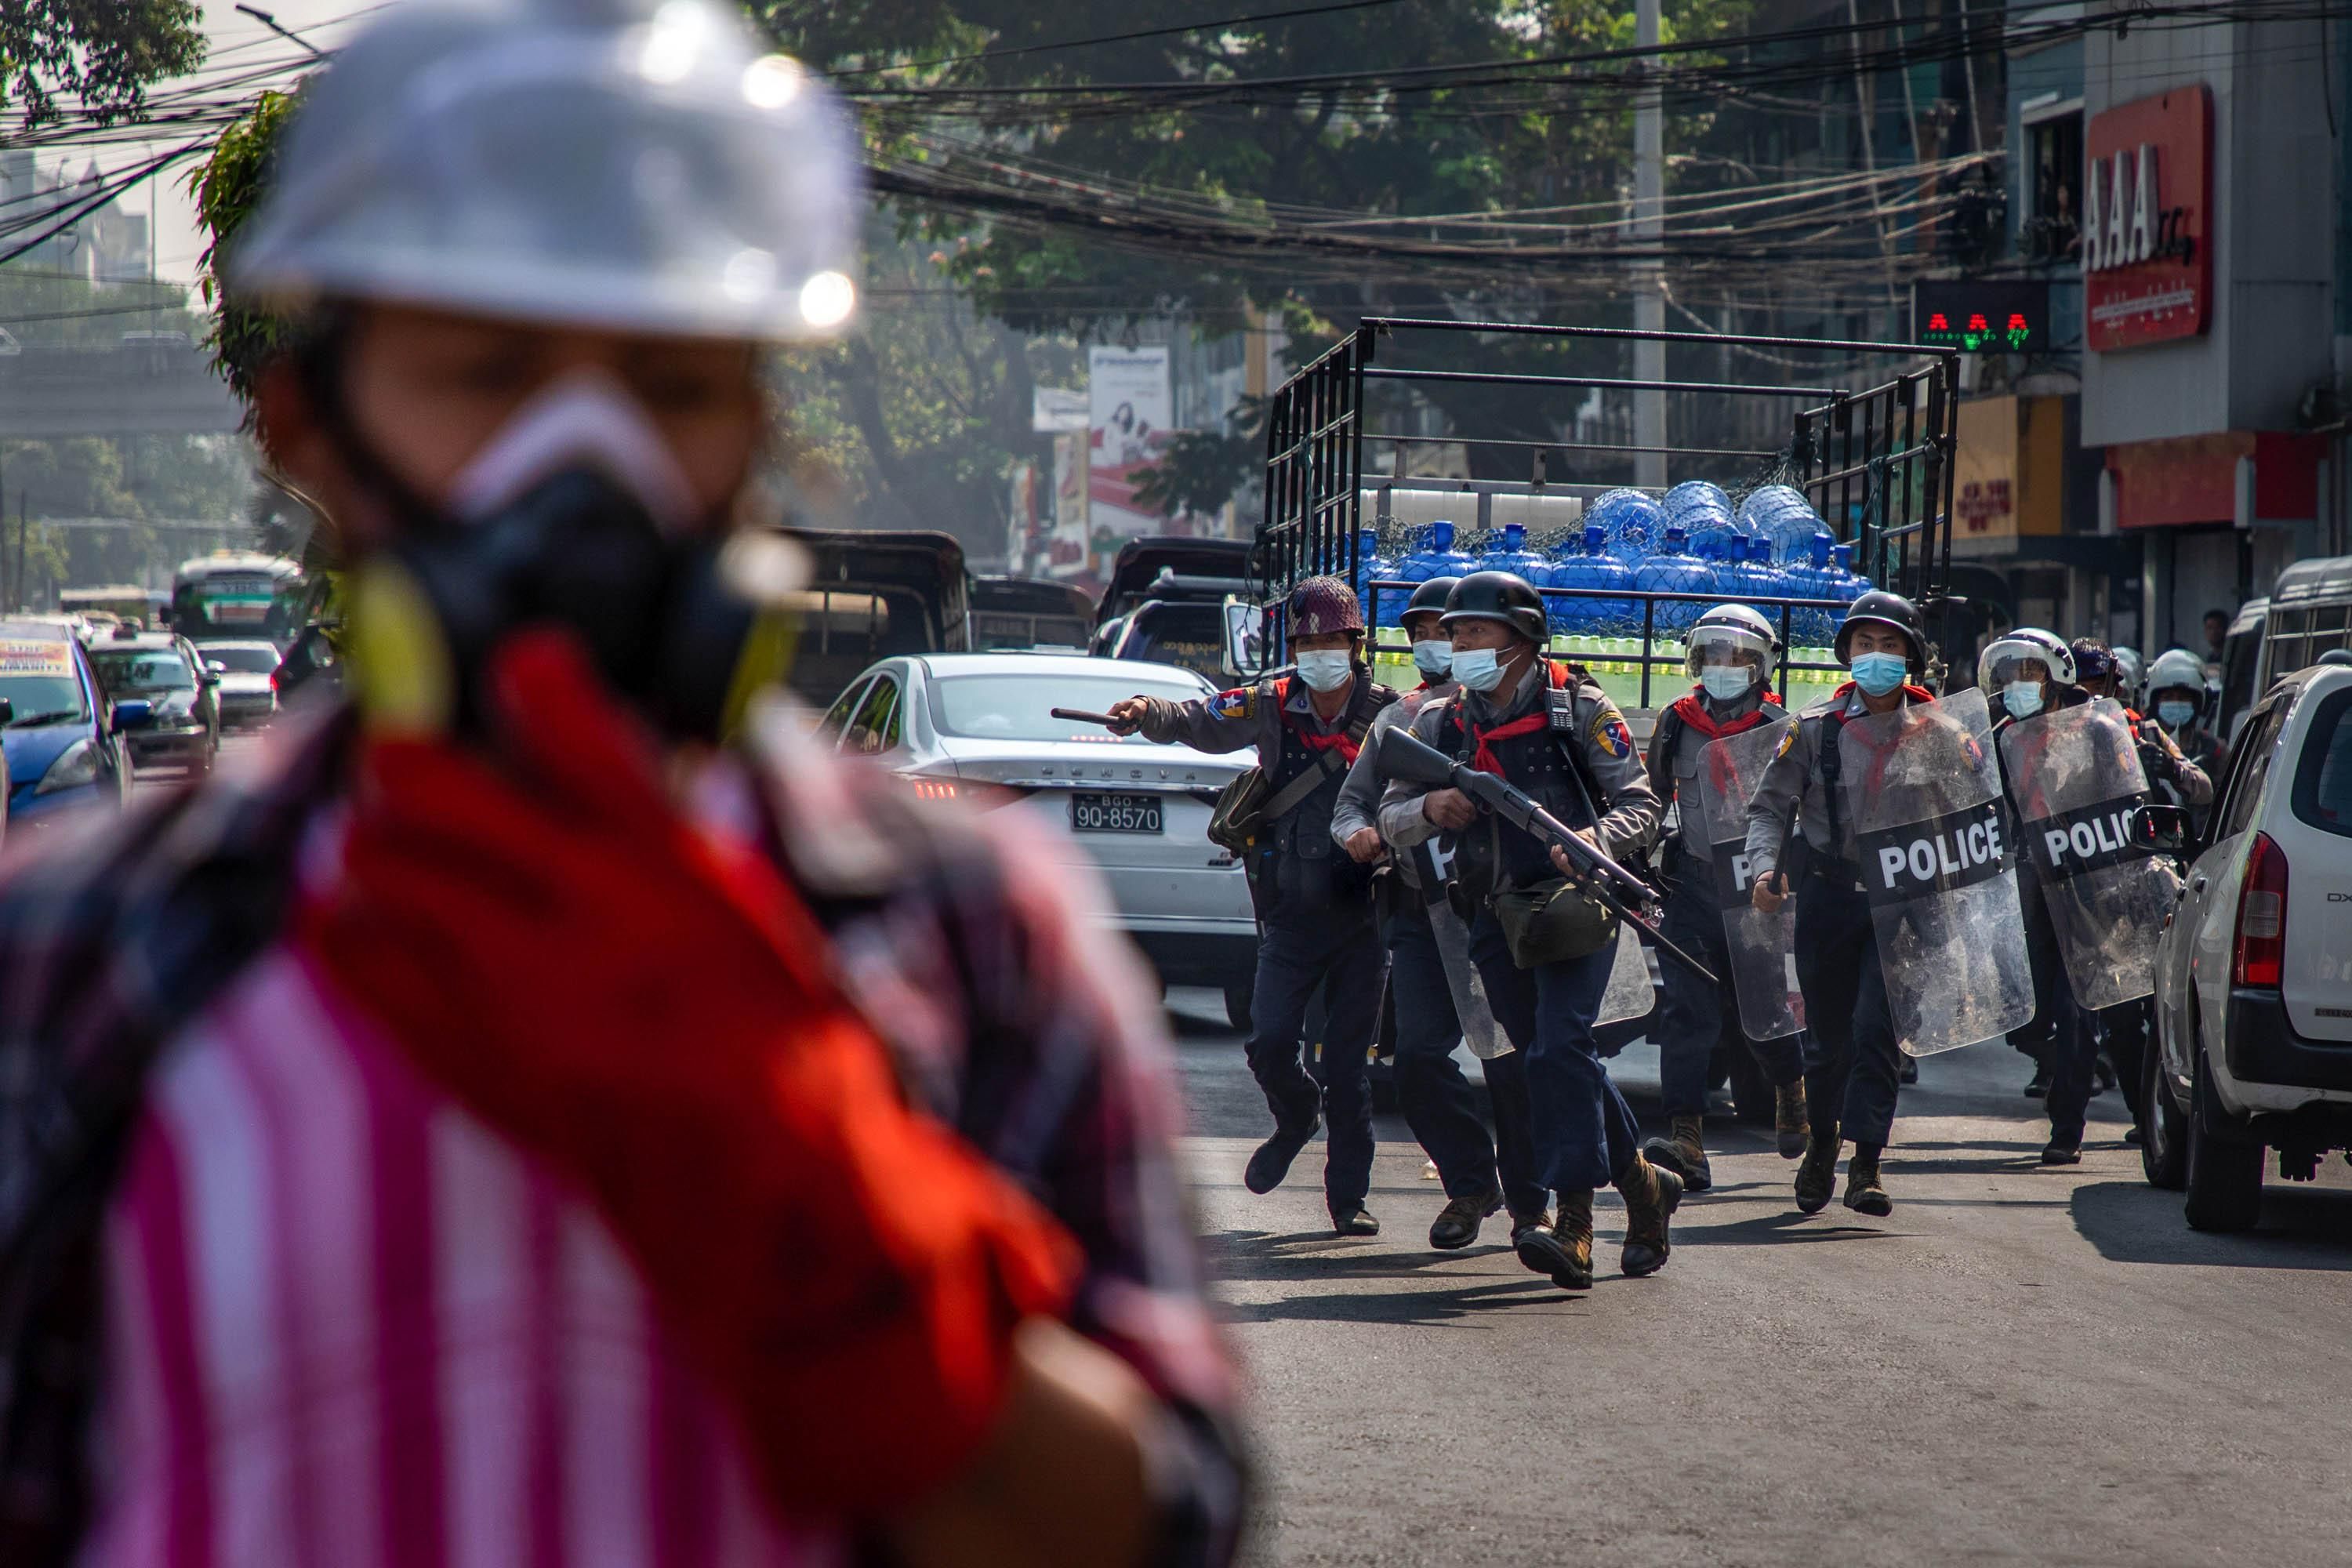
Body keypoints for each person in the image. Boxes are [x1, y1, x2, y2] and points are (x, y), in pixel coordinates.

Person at [0, 5, 1244, 1565]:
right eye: (485, 373)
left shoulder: (974, 933)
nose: (582, 465)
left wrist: (808, 1156)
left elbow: (1166, 1524)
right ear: (312, 428)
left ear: (755, 425)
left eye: (670, 386)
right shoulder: (79, 952)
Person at [1378, 572, 1678, 1290]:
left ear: (1522, 637)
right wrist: (1432, 808)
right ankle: (1644, 1184)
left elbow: (1642, 805)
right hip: (1493, 915)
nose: (1461, 645)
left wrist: (1594, 839)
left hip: (1577, 909)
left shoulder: (1580, 708)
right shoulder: (1440, 723)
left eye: (1476, 632)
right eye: (1456, 634)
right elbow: (1389, 814)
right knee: (1549, 1058)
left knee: (1560, 1047)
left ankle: (1574, 1224)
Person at [1107, 577, 1397, 1236]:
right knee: (1269, 1042)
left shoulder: (1392, 712)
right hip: (1290, 913)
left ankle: (1348, 1199)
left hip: (1365, 914)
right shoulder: (1269, 703)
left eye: (1332, 641)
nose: (1320, 653)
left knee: (1347, 1066)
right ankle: (1295, 1117)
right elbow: (1199, 719)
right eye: (1307, 643)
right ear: (1292, 649)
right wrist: (1145, 710)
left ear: (1356, 645)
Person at [1330, 576, 1544, 1251]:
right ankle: (1471, 1183)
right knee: (1418, 1059)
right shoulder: (1406, 720)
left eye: (1460, 632)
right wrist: (1373, 830)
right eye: (1429, 633)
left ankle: (1533, 1208)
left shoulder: (1532, 711)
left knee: (1512, 1063)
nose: (1444, 644)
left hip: (1503, 913)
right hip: (1423, 913)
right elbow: (1353, 805)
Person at [1743, 590, 1939, 1218]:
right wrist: (1765, 870)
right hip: (1829, 896)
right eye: (1864, 644)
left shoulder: (1941, 731)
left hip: (1903, 901)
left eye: (1889, 645)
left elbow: (1971, 815)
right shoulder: (1813, 727)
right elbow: (1767, 809)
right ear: (1846, 653)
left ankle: (1868, 1163)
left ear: (1911, 656)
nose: (1876, 656)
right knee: (1828, 1040)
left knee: (1879, 1032)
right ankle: (1822, 1146)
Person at [1639, 603, 1809, 1189]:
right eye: (1711, 655)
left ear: (1760, 666)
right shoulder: (1676, 722)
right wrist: (1629, 858)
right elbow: (1652, 797)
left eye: (1735, 657)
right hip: (1690, 884)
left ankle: (1791, 1087)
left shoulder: (1786, 729)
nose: (1722, 666)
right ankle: (1687, 1137)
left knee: (1762, 1007)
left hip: (1755, 891)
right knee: (1687, 1012)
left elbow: (1799, 812)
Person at [1981, 629, 2102, 1163]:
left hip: (2083, 892)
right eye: (2009, 677)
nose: (2018, 685)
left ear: (2056, 681)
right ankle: (2056, 1067)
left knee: (2078, 1017)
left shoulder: (2096, 731)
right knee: (2021, 1018)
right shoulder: (1994, 739)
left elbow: (2128, 795)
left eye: (2029, 675)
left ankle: (2067, 1126)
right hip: (2022, 893)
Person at [2145, 647, 2225, 833]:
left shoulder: (2215, 749)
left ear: (2199, 702)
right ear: (2155, 701)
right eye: (2168, 697)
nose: (2176, 703)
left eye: (2183, 698)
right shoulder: (2141, 738)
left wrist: (2173, 769)